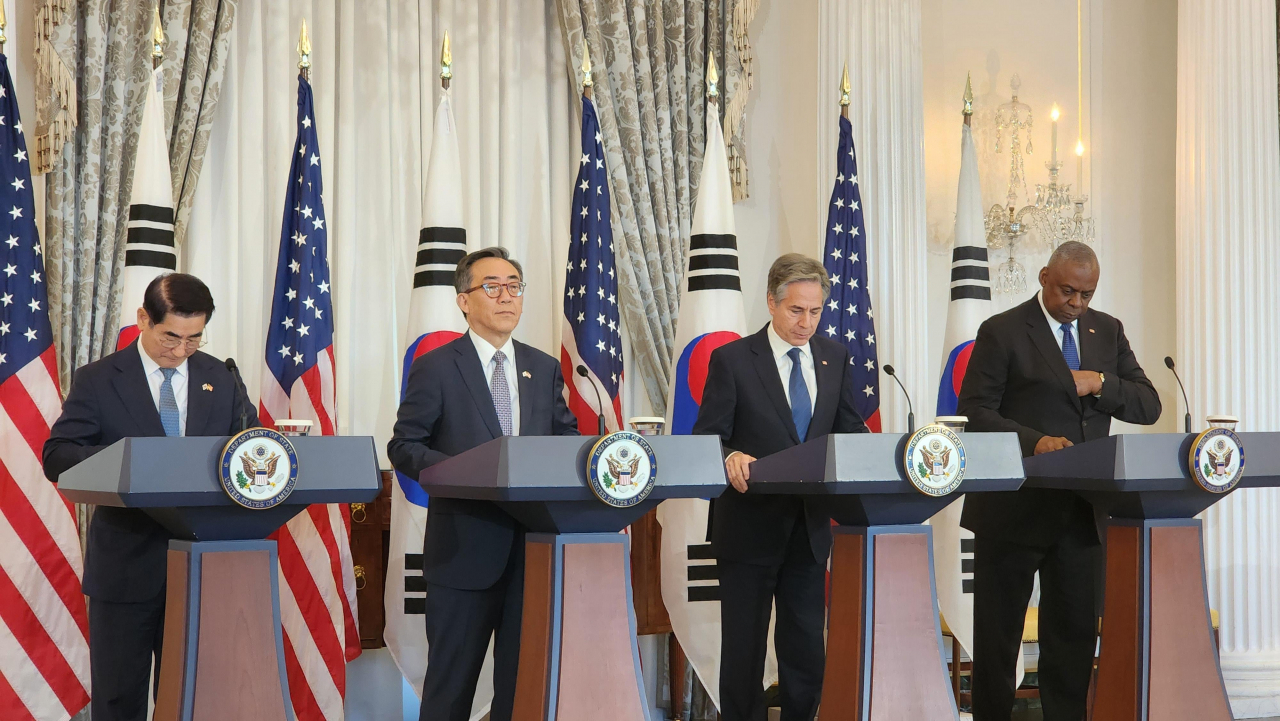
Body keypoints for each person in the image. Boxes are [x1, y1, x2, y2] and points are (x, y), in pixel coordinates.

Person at [957, 241, 1162, 721]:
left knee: (1071, 642)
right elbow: (974, 411)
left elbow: (1148, 405)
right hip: (1012, 509)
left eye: (1087, 294)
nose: (1077, 303)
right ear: (1044, 277)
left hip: (1081, 514)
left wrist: (1102, 383)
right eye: (1068, 291)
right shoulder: (1002, 330)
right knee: (998, 639)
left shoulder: (1106, 332)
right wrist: (1034, 441)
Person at [42, 273, 256, 721]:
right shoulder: (99, 379)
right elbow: (58, 456)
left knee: (199, 702)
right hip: (125, 569)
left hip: (204, 569)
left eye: (193, 340)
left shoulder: (222, 376)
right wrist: (132, 462)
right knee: (119, 702)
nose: (180, 352)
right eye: (170, 338)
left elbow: (247, 452)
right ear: (144, 319)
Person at [388, 246, 578, 721]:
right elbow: (404, 446)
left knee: (523, 688)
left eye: (514, 286)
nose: (506, 296)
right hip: (463, 554)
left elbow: (566, 442)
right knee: (451, 690)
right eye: (492, 286)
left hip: (534, 552)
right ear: (464, 300)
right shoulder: (437, 366)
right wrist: (467, 471)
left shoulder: (543, 366)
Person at [693, 253, 868, 721]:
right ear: (771, 302)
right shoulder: (732, 360)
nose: (806, 323)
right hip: (748, 527)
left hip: (809, 531)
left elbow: (849, 430)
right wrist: (729, 456)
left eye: (815, 312)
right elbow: (708, 437)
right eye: (796, 311)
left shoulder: (835, 357)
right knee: (745, 649)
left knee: (806, 646)